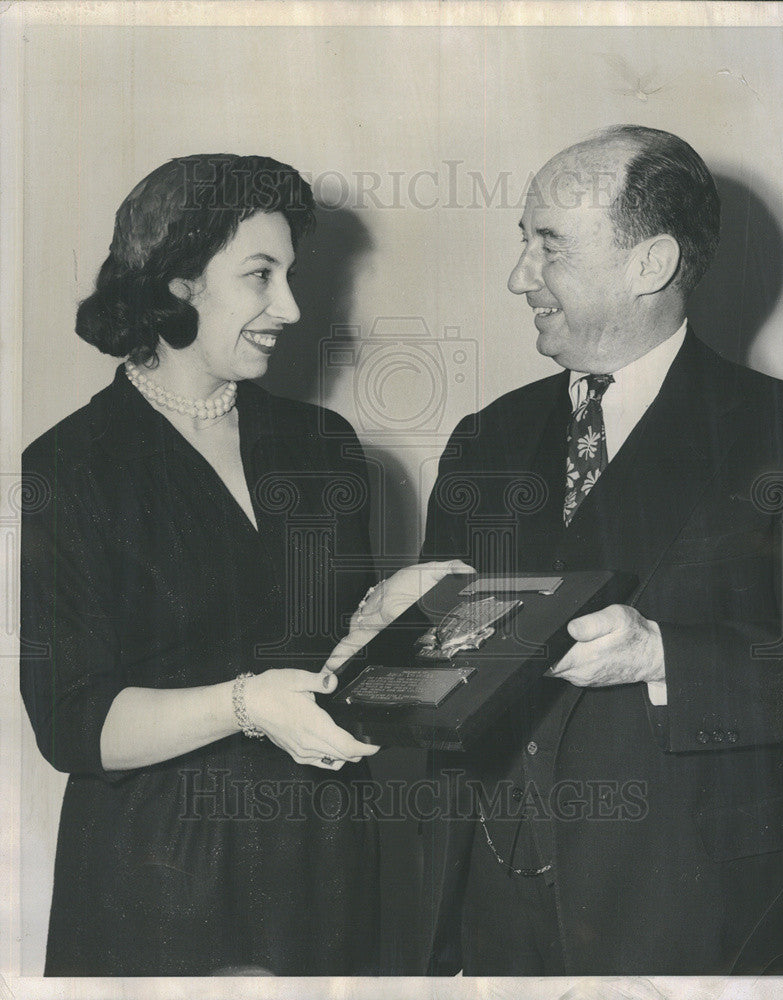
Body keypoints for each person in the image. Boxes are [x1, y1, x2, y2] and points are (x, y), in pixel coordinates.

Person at [419, 126, 783, 974]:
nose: (518, 276)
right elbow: (439, 683)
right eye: (521, 242)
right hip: (494, 919)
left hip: (694, 922)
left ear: (649, 264)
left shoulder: (775, 432)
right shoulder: (488, 437)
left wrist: (662, 657)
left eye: (546, 244)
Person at [20, 154, 387, 976]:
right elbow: (73, 722)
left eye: (290, 276)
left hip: (327, 860)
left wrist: (403, 618)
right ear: (178, 281)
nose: (289, 307)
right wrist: (245, 703)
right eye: (260, 276)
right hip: (162, 871)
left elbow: (346, 663)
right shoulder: (74, 464)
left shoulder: (323, 446)